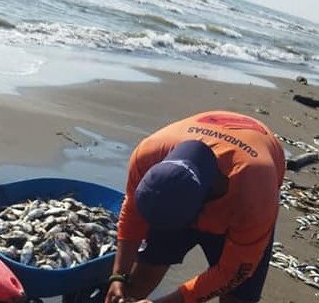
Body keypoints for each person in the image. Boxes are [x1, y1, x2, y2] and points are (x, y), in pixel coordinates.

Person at [104, 111, 285, 303]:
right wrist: (118, 276)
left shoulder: (254, 193)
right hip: (181, 194)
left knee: (238, 297)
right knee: (141, 277)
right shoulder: (147, 155)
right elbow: (132, 214)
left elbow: (233, 272)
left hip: (239, 207)